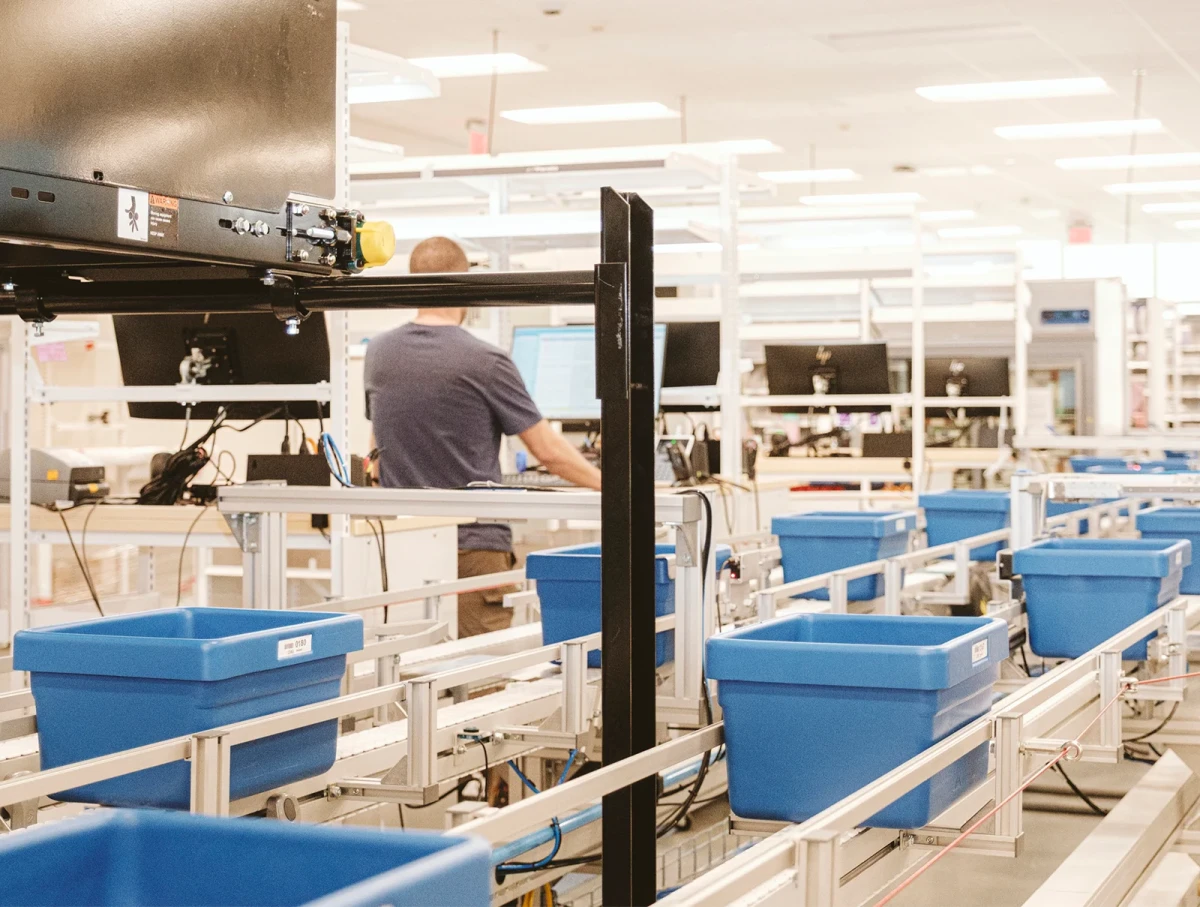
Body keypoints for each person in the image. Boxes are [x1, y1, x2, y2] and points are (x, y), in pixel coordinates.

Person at [364, 236, 602, 637]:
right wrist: (613, 486)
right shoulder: (484, 359)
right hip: (472, 546)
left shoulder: (379, 353)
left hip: (404, 543)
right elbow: (547, 450)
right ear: (465, 284)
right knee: (478, 684)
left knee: (409, 670)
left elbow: (377, 451)